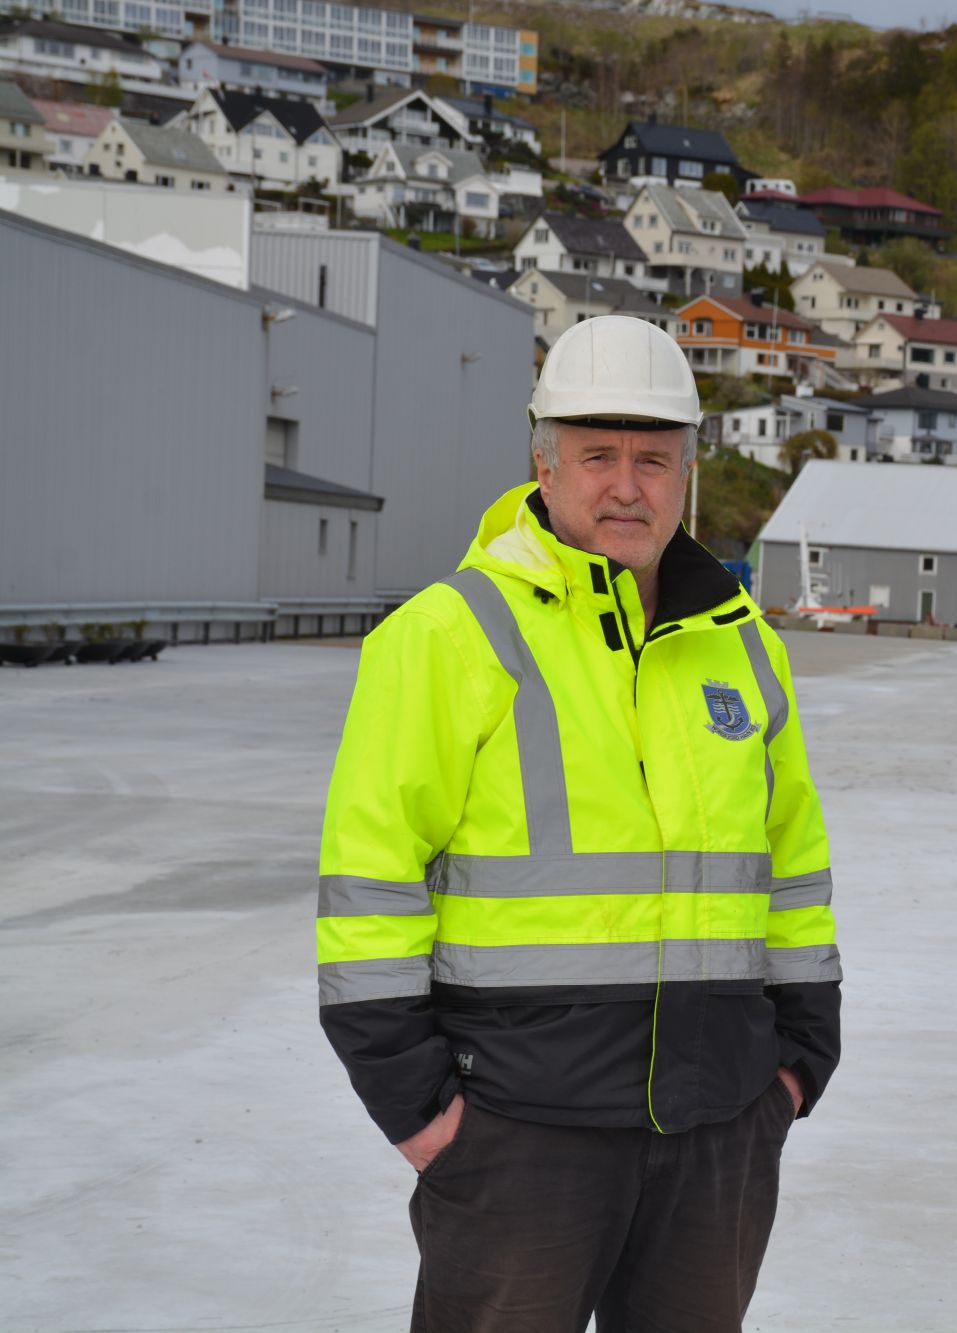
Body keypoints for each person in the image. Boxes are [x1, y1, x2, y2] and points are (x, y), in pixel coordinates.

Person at [314, 315, 842, 1332]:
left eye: (653, 459)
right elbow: (368, 884)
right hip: (519, 1137)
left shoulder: (743, 649)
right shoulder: (446, 636)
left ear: (687, 470)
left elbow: (792, 869)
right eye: (598, 456)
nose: (627, 485)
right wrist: (425, 1117)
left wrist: (793, 1068)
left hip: (718, 1125)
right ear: (543, 466)